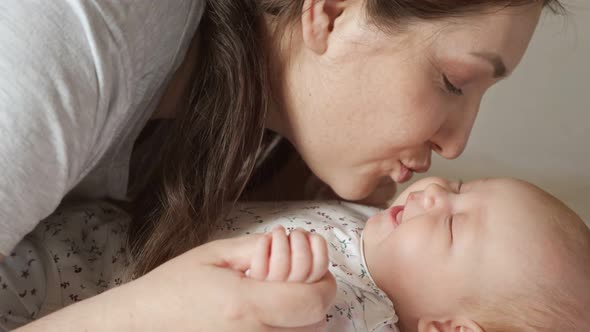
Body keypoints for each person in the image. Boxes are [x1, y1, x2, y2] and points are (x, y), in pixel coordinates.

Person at [0, 0, 564, 330]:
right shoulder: (71, 39)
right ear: (333, 12)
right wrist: (154, 311)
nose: (458, 144)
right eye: (454, 82)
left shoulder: (282, 163)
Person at [3, 176, 589, 331]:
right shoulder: (372, 225)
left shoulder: (359, 314)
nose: (435, 193)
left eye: (456, 226)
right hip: (68, 230)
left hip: (50, 297)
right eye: (461, 187)